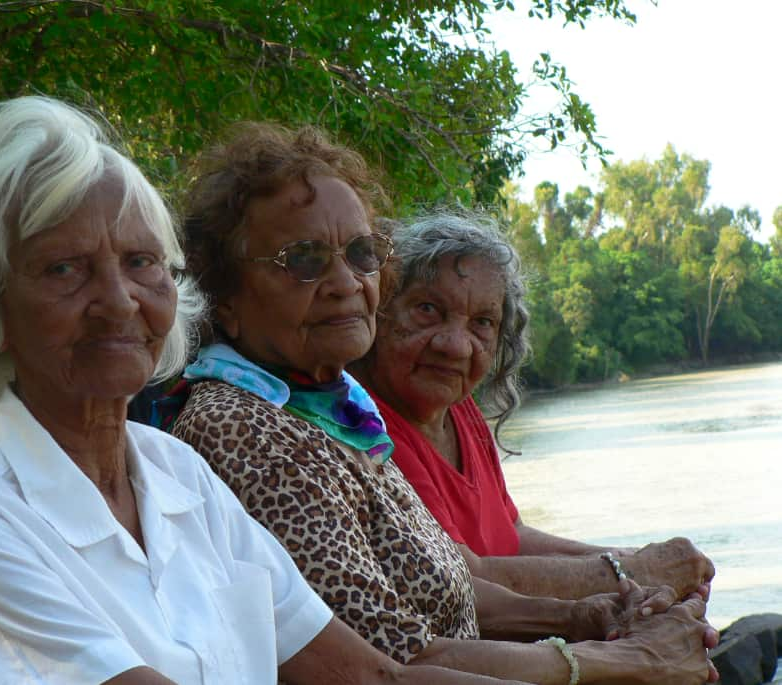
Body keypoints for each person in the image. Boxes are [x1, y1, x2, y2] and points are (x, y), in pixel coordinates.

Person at [0, 96, 521, 685]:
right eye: (64, 268)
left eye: (140, 262)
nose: (117, 302)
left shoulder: (178, 474)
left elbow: (374, 675)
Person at [162, 121, 718, 684]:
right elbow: (395, 663)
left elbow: (444, 582)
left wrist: (596, 612)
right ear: (224, 297)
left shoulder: (334, 411)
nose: (345, 282)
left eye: (360, 253)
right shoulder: (247, 433)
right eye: (303, 259)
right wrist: (631, 658)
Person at [348, 211, 716, 600]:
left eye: (483, 323)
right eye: (427, 309)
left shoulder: (459, 408)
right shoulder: (367, 429)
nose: (455, 346)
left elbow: (514, 537)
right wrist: (634, 573)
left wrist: (633, 562)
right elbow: (465, 579)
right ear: (381, 309)